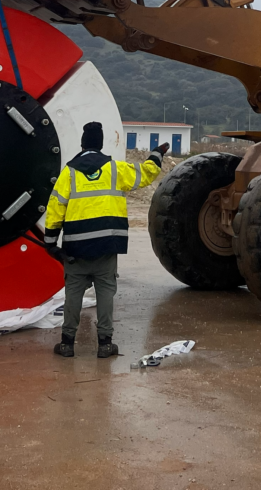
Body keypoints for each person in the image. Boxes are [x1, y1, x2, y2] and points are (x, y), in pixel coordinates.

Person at [45, 122, 169, 358]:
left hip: (76, 247)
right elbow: (146, 173)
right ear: (101, 144)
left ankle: (67, 344)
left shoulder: (69, 172)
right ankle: (104, 344)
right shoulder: (115, 169)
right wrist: (157, 153)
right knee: (105, 292)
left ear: (82, 144)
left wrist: (51, 243)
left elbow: (55, 208)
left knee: (73, 294)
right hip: (107, 245)